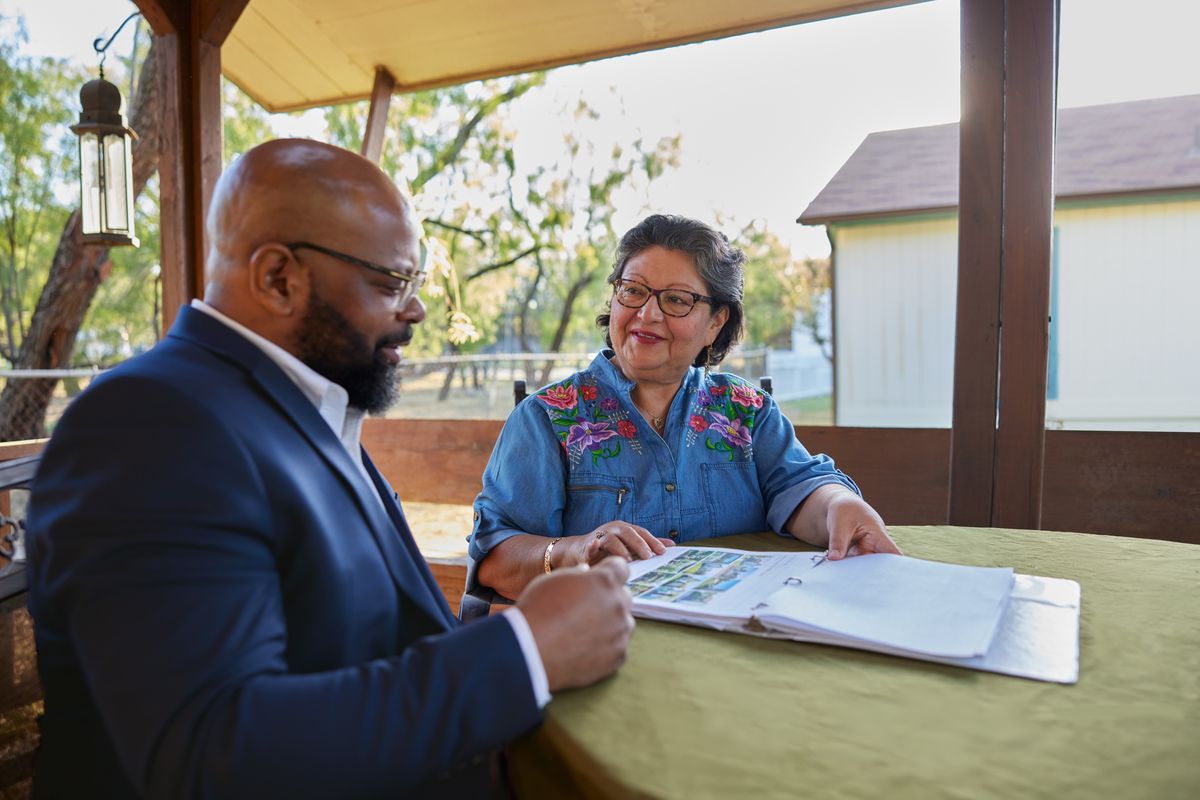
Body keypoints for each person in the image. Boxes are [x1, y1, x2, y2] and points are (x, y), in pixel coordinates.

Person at [26, 139, 634, 799]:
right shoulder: (149, 426)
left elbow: (368, 634)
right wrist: (524, 652)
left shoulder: (294, 404)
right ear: (278, 278)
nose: (416, 310)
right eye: (391, 282)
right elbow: (212, 754)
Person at [468, 214, 899, 604]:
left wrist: (839, 505)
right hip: (598, 647)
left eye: (676, 300)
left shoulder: (745, 411)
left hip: (742, 637)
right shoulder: (548, 419)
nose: (647, 313)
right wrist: (575, 551)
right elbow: (494, 559)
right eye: (633, 291)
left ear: (716, 322)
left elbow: (801, 490)